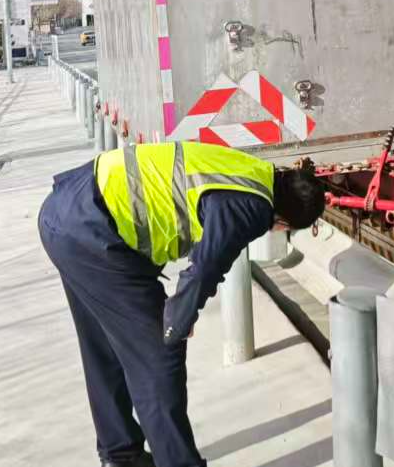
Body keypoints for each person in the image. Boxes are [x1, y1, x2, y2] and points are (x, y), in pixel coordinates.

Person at [38, 141, 327, 467]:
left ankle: (121, 454)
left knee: (103, 346)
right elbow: (206, 267)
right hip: (92, 230)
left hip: (66, 211)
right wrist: (177, 320)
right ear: (285, 223)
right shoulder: (252, 207)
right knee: (159, 357)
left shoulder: (254, 171)